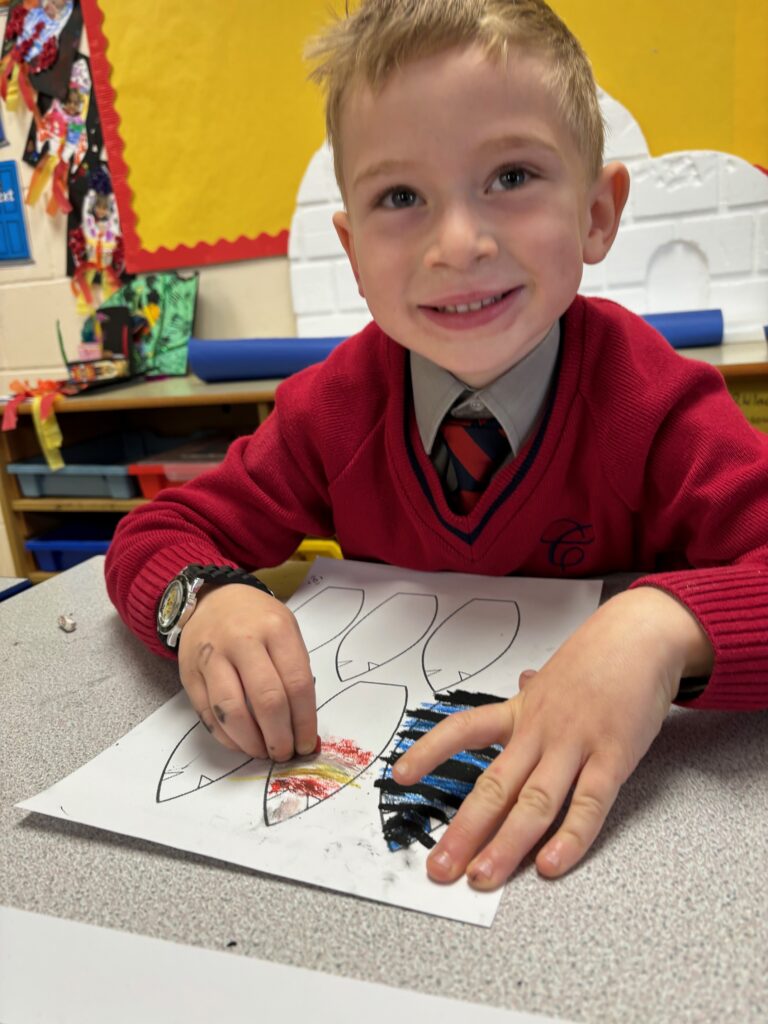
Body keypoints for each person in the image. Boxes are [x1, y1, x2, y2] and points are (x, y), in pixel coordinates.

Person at [106, 0, 768, 891]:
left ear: (598, 213)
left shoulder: (655, 403)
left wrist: (660, 629)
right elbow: (158, 534)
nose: (459, 245)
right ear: (353, 248)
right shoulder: (332, 411)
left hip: (611, 854)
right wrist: (204, 602)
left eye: (513, 176)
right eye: (401, 197)